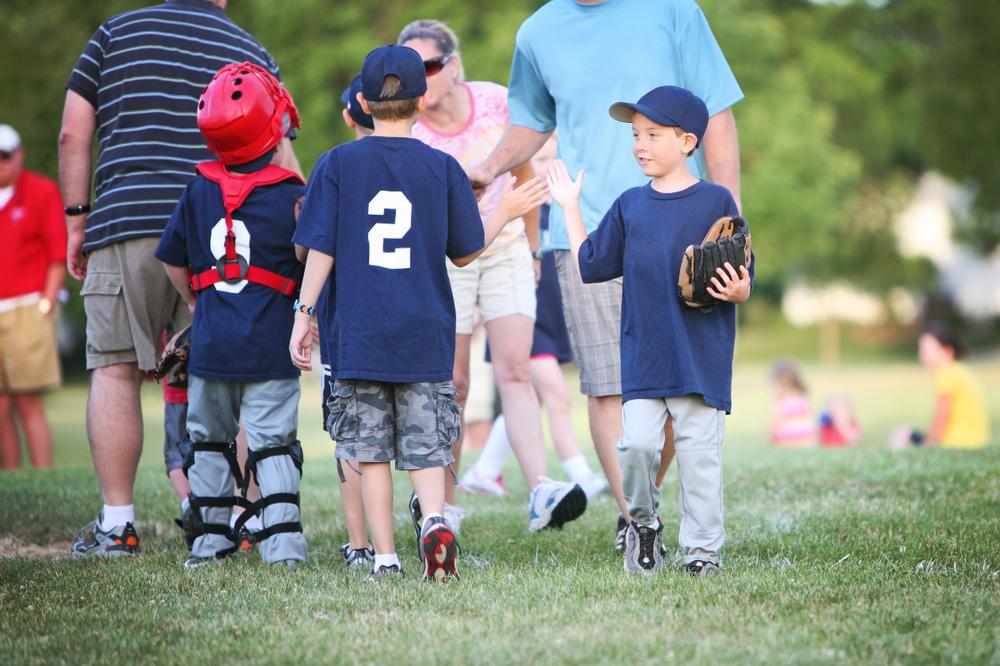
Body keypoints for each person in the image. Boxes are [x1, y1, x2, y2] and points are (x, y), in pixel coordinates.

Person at [467, 0, 743, 547]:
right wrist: (487, 168)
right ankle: (638, 525)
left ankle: (643, 505)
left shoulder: (673, 11)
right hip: (585, 230)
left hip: (680, 232)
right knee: (608, 388)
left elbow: (715, 113)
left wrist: (730, 220)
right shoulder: (537, 31)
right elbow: (530, 122)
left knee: (677, 392)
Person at [290, 44, 547, 580]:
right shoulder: (442, 166)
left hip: (359, 331)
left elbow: (322, 248)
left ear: (362, 99)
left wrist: (304, 312)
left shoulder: (336, 163)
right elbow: (465, 249)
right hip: (426, 329)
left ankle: (384, 558)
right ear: (420, 98)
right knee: (428, 445)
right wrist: (506, 212)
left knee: (372, 451)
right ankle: (434, 519)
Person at [59, 0, 300, 557]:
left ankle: (118, 524)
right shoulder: (250, 51)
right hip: (230, 228)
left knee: (116, 368)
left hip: (130, 220)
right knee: (238, 371)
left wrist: (76, 219)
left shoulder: (115, 33)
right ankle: (242, 519)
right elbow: (280, 151)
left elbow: (74, 133)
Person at [548, 85, 751, 577]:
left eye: (653, 135)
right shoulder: (630, 205)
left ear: (686, 142)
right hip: (644, 356)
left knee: (700, 458)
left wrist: (740, 291)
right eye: (636, 135)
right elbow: (591, 265)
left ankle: (702, 552)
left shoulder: (716, 199)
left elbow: (743, 271)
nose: (640, 144)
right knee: (636, 447)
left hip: (700, 356)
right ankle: (642, 523)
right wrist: (570, 207)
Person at [398, 20, 586, 534]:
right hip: (448, 259)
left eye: (430, 66)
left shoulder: (497, 102)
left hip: (505, 250)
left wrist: (530, 246)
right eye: (410, 69)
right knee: (453, 382)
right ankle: (446, 505)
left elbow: (523, 172)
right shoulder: (409, 130)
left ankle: (542, 490)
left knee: (516, 371)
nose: (422, 78)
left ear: (453, 66)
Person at [156, 62, 307, 568]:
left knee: (209, 444)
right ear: (273, 127)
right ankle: (283, 546)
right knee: (272, 446)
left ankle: (211, 541)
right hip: (270, 346)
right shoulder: (291, 195)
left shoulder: (197, 187)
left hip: (213, 347)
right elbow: (311, 258)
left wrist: (201, 301)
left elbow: (174, 261)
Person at [460, 135, 608, 499]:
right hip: (521, 318)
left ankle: (485, 470)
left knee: (530, 398)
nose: (547, 168)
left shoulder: (565, 211)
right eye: (540, 160)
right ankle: (580, 472)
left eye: (555, 160)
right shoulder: (519, 213)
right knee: (556, 395)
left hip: (547, 318)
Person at [322, 73, 375, 569]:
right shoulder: (423, 164)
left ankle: (361, 545)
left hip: (348, 326)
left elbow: (308, 246)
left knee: (354, 435)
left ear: (349, 113)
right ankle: (432, 523)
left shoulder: (336, 167)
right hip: (412, 324)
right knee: (426, 435)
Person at [0, 124, 65, 471]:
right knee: (0, 406)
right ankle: (11, 478)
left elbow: (57, 254)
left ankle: (44, 475)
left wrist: (46, 303)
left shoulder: (40, 192)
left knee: (28, 402)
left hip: (28, 306)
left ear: (19, 155)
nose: (0, 164)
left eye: (5, 156)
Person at [892, 324, 990, 450]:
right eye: (922, 349)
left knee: (902, 434)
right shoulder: (959, 370)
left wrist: (927, 446)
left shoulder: (946, 376)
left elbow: (941, 421)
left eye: (929, 350)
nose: (923, 355)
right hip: (976, 442)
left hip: (956, 445)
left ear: (948, 351)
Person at [769, 359, 816, 448]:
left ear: (782, 384)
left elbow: (774, 427)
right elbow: (811, 421)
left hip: (786, 439)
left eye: (773, 385)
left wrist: (772, 440)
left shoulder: (781, 403)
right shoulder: (803, 400)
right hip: (807, 440)